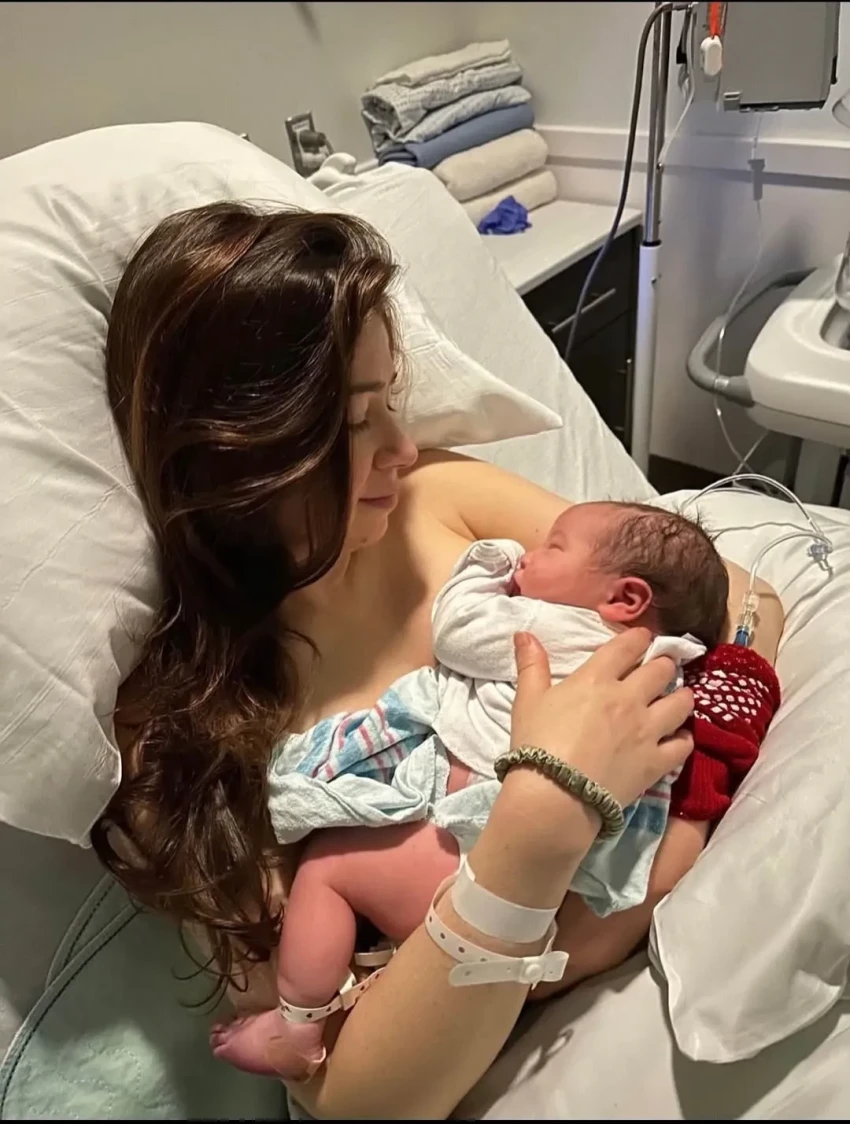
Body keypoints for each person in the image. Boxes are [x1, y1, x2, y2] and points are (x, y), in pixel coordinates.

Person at [95, 201, 784, 1119]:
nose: (404, 446)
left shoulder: (437, 500)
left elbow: (730, 596)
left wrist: (696, 783)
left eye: (392, 400)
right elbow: (352, 1093)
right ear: (229, 455)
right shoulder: (190, 730)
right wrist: (534, 837)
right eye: (354, 422)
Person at [210, 501, 779, 1081]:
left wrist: (491, 561)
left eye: (553, 546)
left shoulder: (555, 630)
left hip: (476, 857)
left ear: (625, 599)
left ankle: (297, 1027)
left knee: (327, 870)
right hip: (549, 889)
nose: (529, 552)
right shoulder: (667, 669)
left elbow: (458, 631)